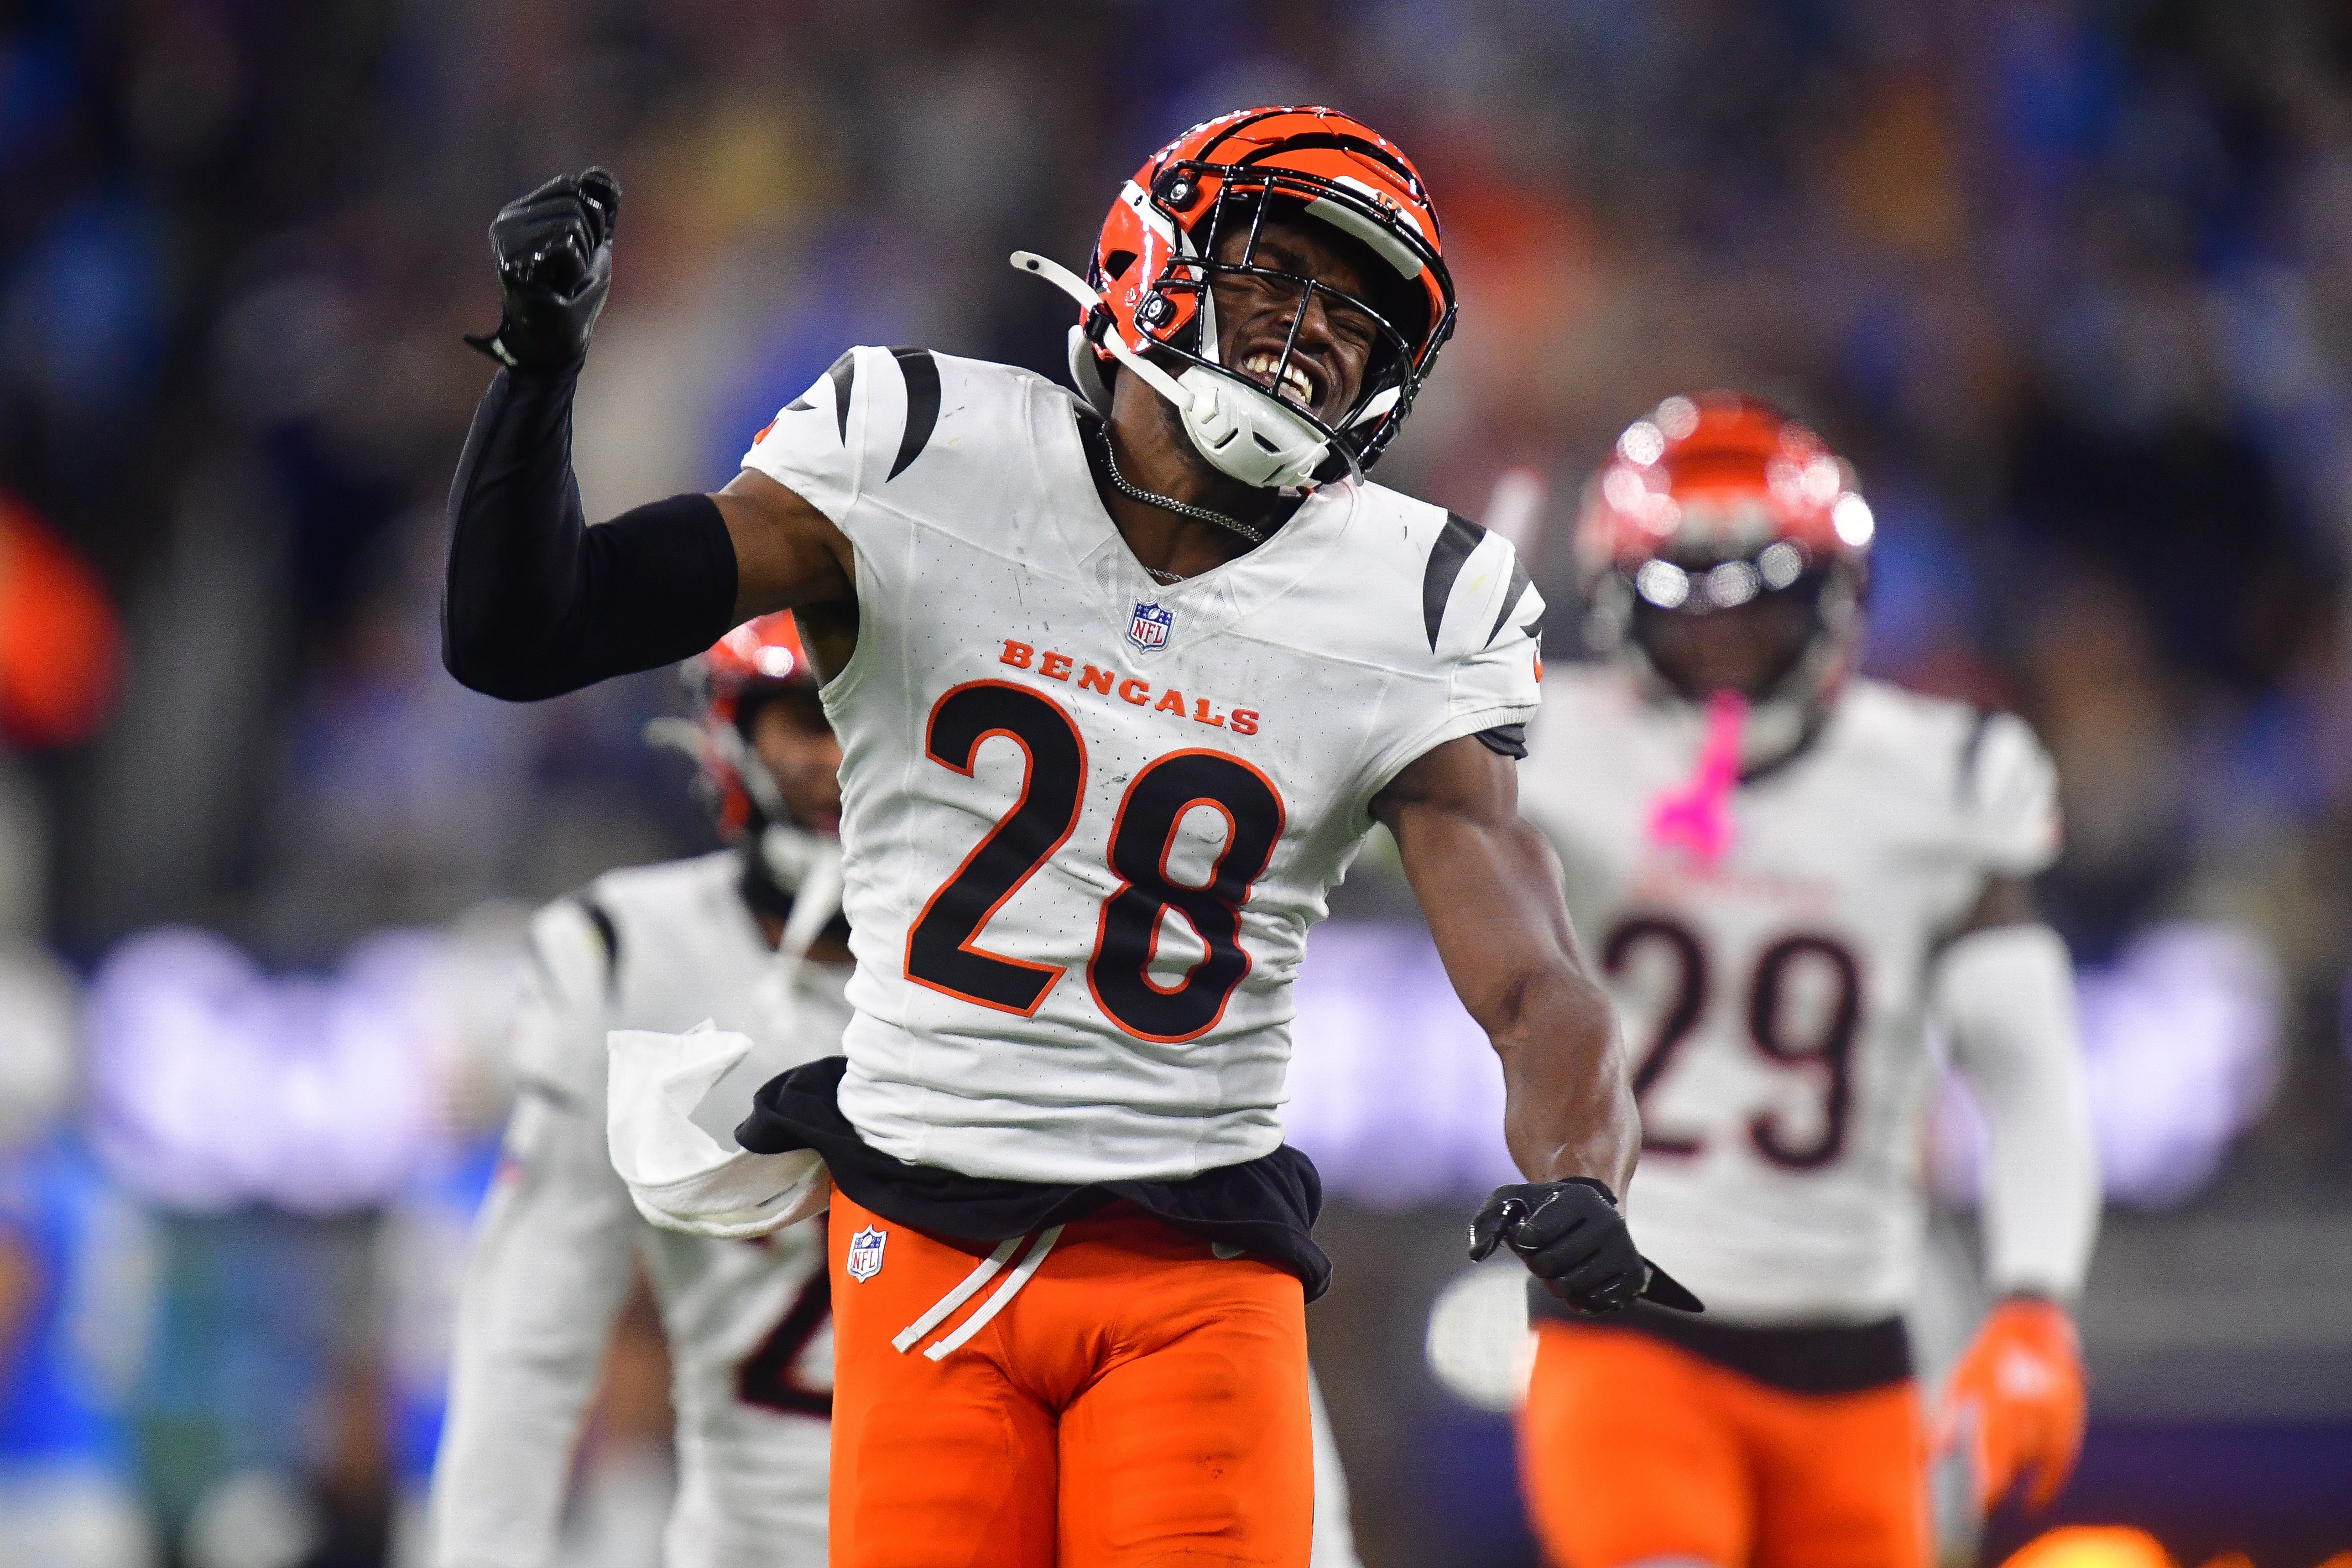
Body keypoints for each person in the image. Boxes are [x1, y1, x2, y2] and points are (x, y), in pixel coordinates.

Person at [440, 107, 1680, 1567]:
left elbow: (1534, 979)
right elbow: (526, 632)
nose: (1313, 338)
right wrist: (537, 367)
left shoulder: (1407, 599)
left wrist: (1584, 1165)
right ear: (1152, 254)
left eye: (1357, 319)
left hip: (1194, 1261)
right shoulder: (921, 452)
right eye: (1278, 275)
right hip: (921, 1235)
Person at [1512, 394, 2102, 1568]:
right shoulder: (1535, 740)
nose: (1723, 634)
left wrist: (2036, 1297)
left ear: (1833, 592)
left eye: (1762, 594)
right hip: (1627, 1337)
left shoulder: (1941, 777)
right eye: (1685, 593)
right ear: (1617, 596)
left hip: (1859, 1358)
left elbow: (2031, 1076)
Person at [431, 614, 850, 1568]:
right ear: (734, 731)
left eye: (874, 716)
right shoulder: (632, 956)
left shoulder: (1032, 966)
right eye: (811, 716)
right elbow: (529, 1333)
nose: (844, 756)